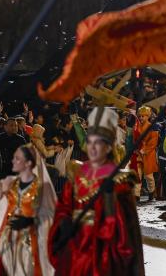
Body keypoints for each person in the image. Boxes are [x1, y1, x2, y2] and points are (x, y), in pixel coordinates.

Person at [48, 106, 144, 276]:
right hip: (75, 245)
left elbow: (125, 229)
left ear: (108, 147)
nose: (92, 148)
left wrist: (108, 198)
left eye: (98, 143)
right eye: (90, 142)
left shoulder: (120, 179)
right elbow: (64, 206)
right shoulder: (77, 172)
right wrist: (64, 224)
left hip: (104, 249)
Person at [0, 144, 57, 275]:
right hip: (8, 236)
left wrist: (32, 220)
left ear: (28, 163)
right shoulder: (11, 182)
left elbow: (51, 214)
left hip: (30, 240)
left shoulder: (43, 187)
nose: (13, 161)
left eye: (17, 158)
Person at [131, 106, 158, 203]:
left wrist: (144, 150)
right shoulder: (137, 126)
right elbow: (134, 140)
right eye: (140, 116)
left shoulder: (152, 127)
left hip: (148, 155)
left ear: (148, 116)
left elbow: (153, 142)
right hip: (139, 154)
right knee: (138, 175)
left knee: (149, 176)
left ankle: (152, 193)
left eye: (143, 116)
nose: (141, 118)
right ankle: (136, 195)